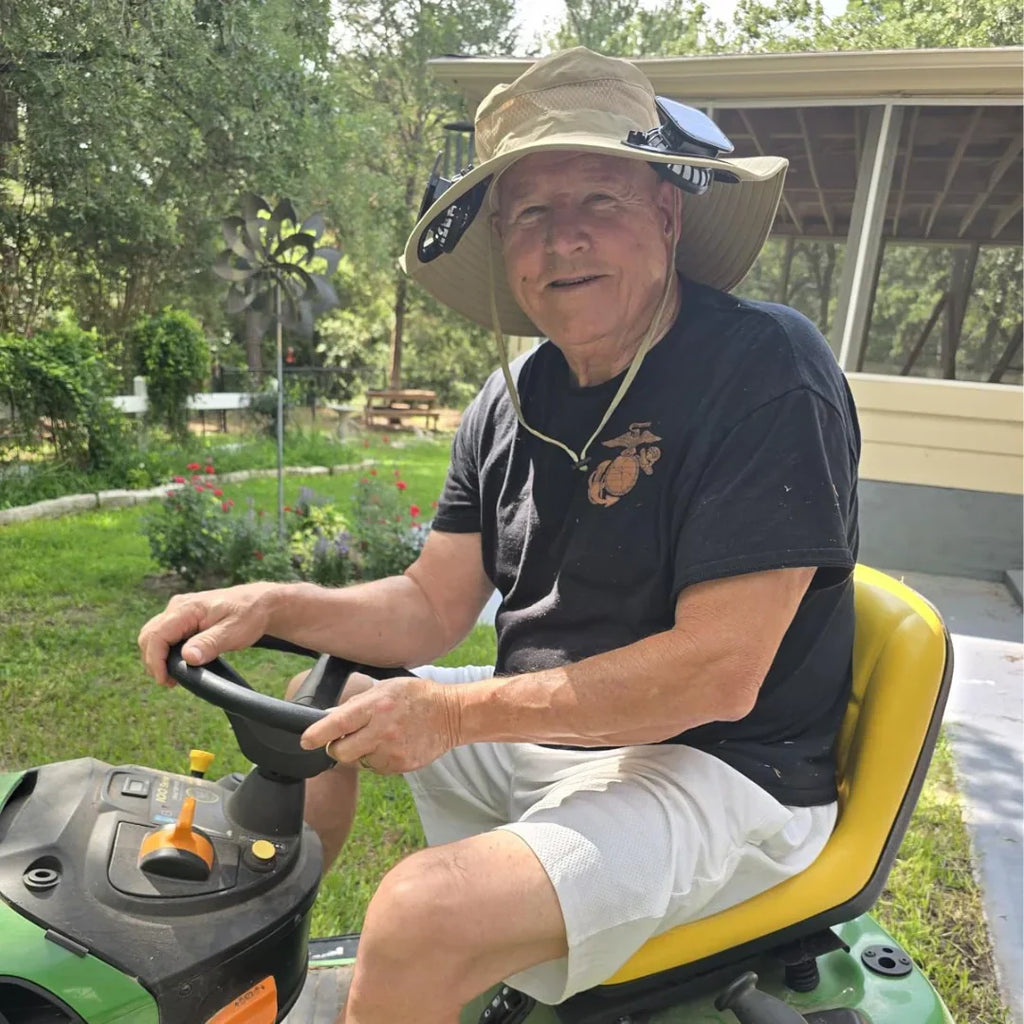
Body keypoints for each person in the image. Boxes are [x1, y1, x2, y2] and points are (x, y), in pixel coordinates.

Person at [139, 47, 860, 1024]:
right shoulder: (509, 398)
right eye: (530, 212)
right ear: (504, 248)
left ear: (665, 213)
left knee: (418, 914)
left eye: (597, 198)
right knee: (328, 708)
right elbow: (431, 604)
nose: (564, 239)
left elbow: (718, 673)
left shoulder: (765, 366)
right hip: (559, 730)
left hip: (730, 766)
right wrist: (274, 604)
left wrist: (456, 717)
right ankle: (256, 975)